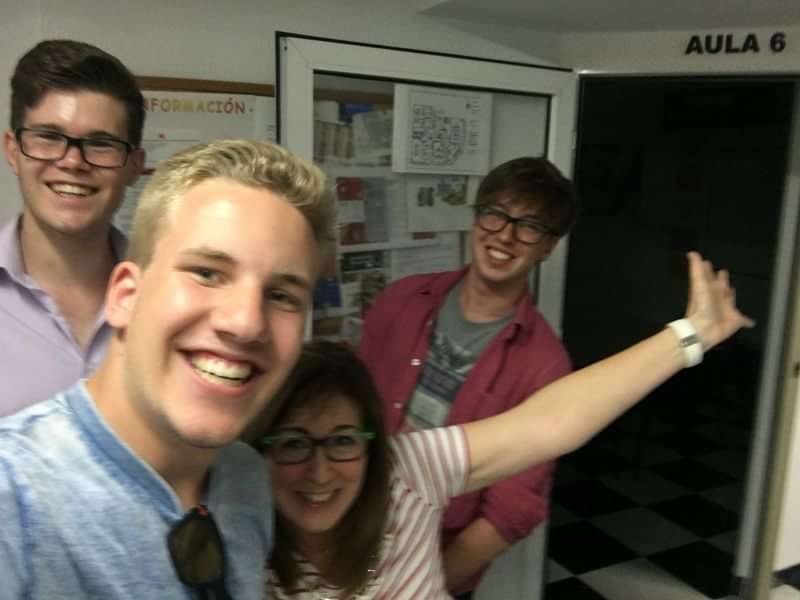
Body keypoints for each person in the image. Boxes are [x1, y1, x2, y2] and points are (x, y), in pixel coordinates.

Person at [251, 251, 752, 599]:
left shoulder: (408, 469)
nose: (319, 473)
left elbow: (551, 422)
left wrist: (693, 335)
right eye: (295, 444)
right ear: (261, 449)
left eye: (341, 441)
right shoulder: (237, 522)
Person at [0, 139, 337, 599]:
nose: (245, 323)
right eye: (207, 272)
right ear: (125, 296)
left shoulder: (245, 478)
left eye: (281, 296)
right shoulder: (15, 501)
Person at [359, 157, 577, 593]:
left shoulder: (546, 365)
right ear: (477, 218)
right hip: (351, 527)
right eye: (495, 214)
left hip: (436, 557)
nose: (505, 236)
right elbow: (346, 409)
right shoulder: (401, 299)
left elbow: (510, 511)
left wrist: (425, 585)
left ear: (548, 247)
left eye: (529, 226)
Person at [0, 39, 145, 416]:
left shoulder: (170, 297)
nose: (73, 161)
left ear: (134, 165)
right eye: (49, 137)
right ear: (13, 151)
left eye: (101, 144)